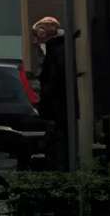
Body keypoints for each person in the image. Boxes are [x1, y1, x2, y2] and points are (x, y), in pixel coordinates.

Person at [32, 17, 68, 166]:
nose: (35, 40)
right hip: (57, 102)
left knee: (58, 135)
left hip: (57, 102)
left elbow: (51, 76)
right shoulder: (58, 47)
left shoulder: (54, 49)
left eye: (38, 34)